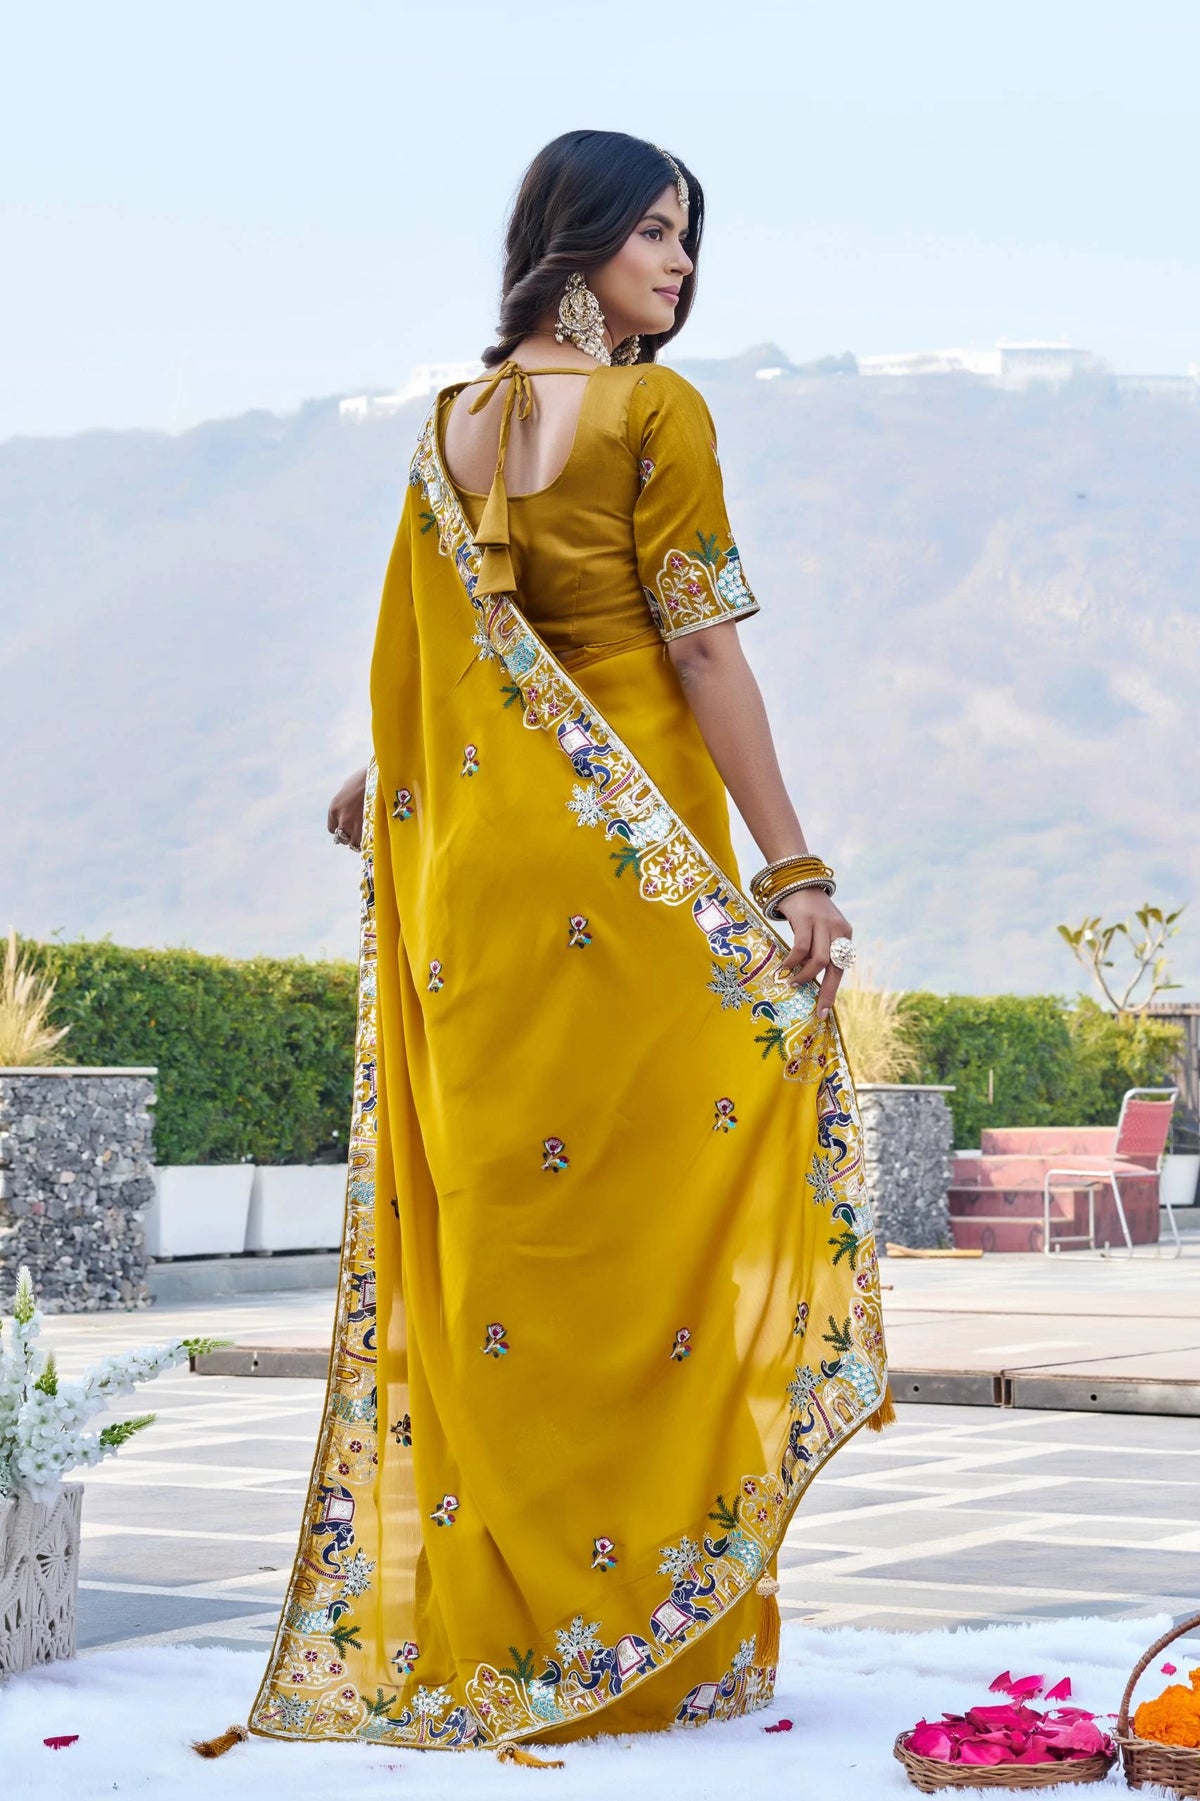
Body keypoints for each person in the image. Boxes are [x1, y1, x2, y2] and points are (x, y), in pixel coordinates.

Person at [201, 129, 892, 1764]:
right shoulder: (659, 414)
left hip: (481, 881)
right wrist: (792, 862)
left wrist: (391, 775)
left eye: (688, 239)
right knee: (647, 1220)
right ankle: (646, 1630)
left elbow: (448, 661)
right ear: (573, 243)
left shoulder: (447, 427)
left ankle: (506, 1617)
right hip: (628, 870)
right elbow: (702, 647)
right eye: (654, 234)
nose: (680, 267)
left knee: (509, 1232)